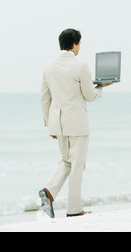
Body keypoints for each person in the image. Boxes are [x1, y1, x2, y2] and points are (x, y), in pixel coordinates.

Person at [39, 29, 112, 218]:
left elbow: (44, 97)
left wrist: (49, 124)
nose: (80, 47)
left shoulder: (48, 66)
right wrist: (100, 87)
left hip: (58, 122)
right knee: (77, 165)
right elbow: (90, 96)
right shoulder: (81, 66)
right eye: (79, 44)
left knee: (66, 161)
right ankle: (74, 209)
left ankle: (49, 191)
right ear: (74, 44)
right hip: (77, 123)